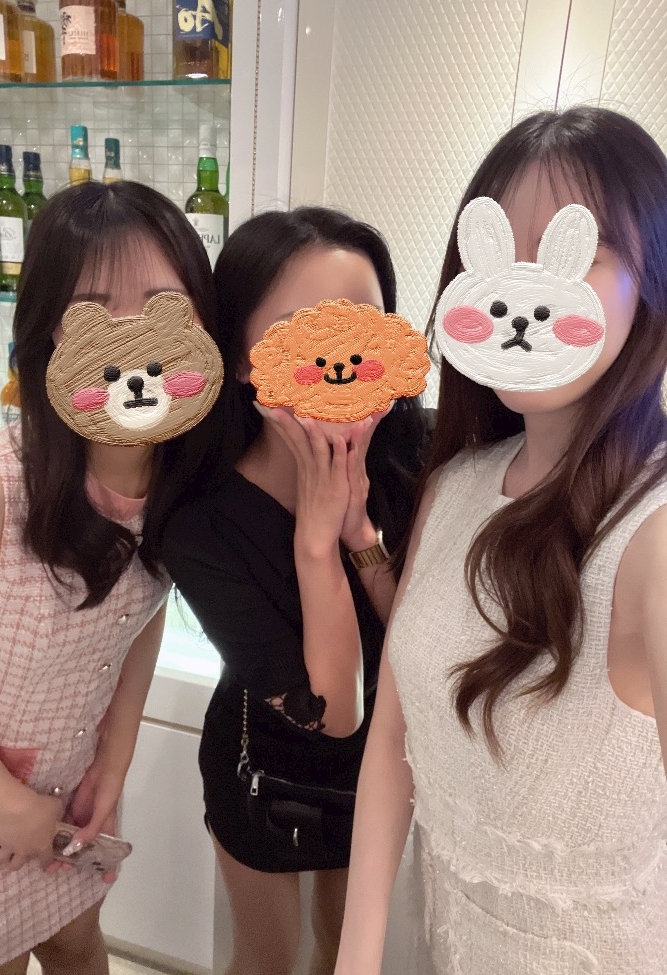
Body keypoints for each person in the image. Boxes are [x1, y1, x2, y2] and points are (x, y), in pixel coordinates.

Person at [333, 106, 667, 975]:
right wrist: (355, 956)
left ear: (652, 285)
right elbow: (394, 734)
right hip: (443, 935)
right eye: (497, 255)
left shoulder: (653, 530)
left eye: (571, 251)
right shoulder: (455, 483)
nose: (524, 287)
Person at [0, 181, 222, 975]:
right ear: (47, 331)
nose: (129, 334)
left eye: (160, 305)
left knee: (78, 944)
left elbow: (139, 617)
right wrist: (10, 801)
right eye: (92, 309)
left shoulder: (179, 483)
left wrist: (112, 764)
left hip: (64, 804)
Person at [162, 206, 432, 975]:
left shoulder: (420, 458)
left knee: (341, 949)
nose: (335, 355)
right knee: (267, 962)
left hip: (377, 772)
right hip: (261, 769)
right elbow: (334, 710)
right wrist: (316, 543)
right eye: (299, 330)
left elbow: (421, 647)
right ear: (242, 358)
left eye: (360, 326)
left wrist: (360, 536)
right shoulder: (201, 522)